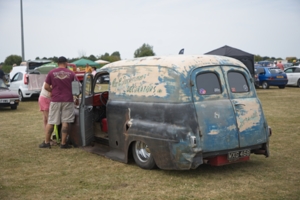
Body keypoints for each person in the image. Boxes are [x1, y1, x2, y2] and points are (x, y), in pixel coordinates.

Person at [39, 56, 77, 149]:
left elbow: (46, 86)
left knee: (51, 121)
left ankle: (47, 142)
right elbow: (76, 88)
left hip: (55, 100)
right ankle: (63, 144)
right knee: (65, 121)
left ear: (58, 63)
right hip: (68, 100)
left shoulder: (52, 73)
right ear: (66, 63)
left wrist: (53, 90)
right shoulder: (71, 73)